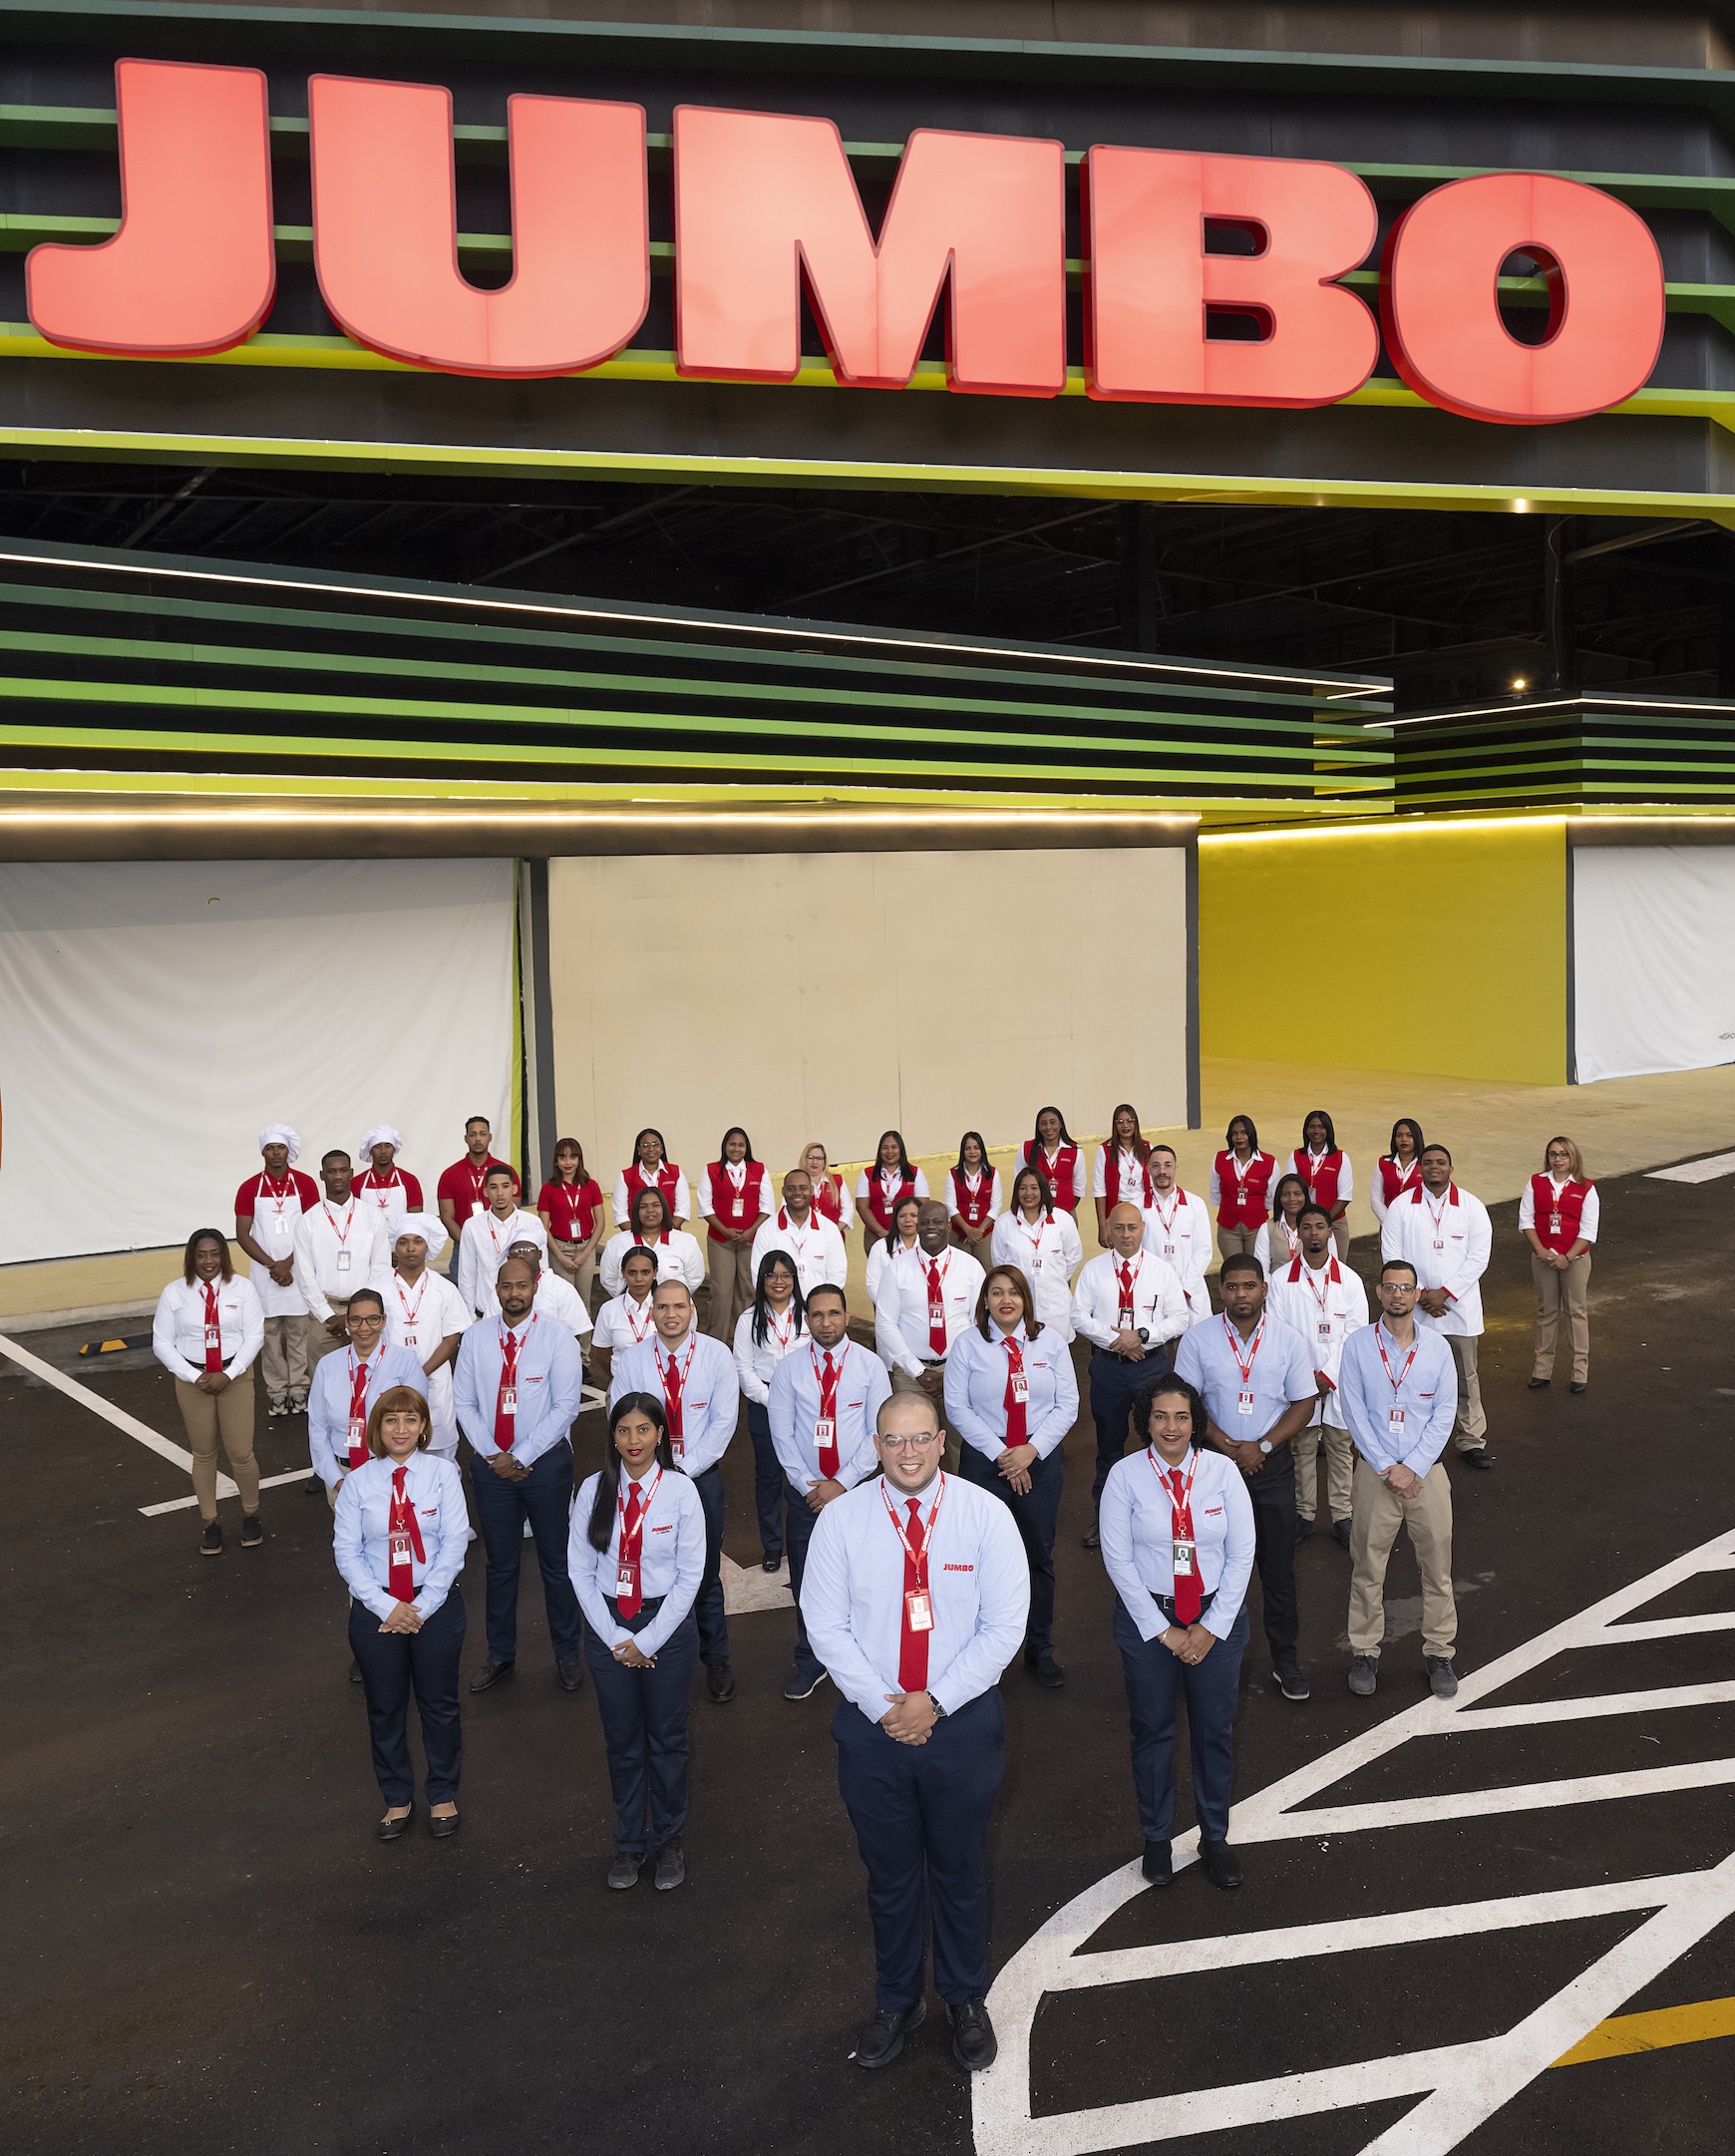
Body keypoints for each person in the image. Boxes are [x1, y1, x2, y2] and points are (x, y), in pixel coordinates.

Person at [801, 1389, 1029, 2073]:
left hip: (961, 1727)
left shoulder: (984, 1515)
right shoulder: (842, 1521)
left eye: (921, 1438)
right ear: (876, 1447)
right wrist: (886, 1708)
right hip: (873, 1733)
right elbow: (825, 1625)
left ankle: (964, 1998)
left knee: (961, 1872)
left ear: (941, 1442)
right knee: (891, 1878)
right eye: (894, 1440)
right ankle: (897, 2002)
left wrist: (935, 1702)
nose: (909, 1452)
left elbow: (1004, 1627)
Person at [1099, 1372, 1256, 1890]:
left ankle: (1215, 1837)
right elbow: (1118, 1560)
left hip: (1216, 1617)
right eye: (1161, 1416)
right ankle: (1156, 1838)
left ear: (1196, 1423)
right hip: (1148, 1619)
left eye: (1182, 1417)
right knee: (1152, 1729)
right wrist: (1163, 1631)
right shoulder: (1125, 1476)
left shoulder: (1222, 1472)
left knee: (1214, 1731)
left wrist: (1211, 1627)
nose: (1172, 1427)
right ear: (1145, 1421)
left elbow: (1242, 1555)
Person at [569, 1392, 706, 1891]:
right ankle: (629, 1842)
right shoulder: (592, 1490)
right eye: (624, 1430)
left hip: (665, 1627)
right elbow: (580, 1570)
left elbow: (691, 1576)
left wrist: (648, 1640)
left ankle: (668, 1841)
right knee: (623, 1743)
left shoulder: (680, 1491)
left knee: (667, 1741)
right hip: (609, 1627)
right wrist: (614, 1638)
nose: (634, 1440)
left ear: (660, 1435)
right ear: (612, 1436)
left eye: (643, 1430)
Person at [1174, 1257, 1317, 1702]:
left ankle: (1285, 1659)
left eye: (1249, 1286)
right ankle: (1201, 1654)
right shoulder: (1198, 1339)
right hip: (1212, 1467)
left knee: (1277, 1570)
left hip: (1270, 1468)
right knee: (1206, 1567)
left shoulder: (1288, 1340)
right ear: (1221, 1291)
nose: (1241, 1295)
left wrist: (1263, 1447)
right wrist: (1228, 1445)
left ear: (1264, 1290)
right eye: (1233, 1287)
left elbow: (1304, 1402)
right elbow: (1185, 1403)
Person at [333, 1385, 469, 1840]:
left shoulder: (443, 1474)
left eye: (411, 1419)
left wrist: (423, 1606)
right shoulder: (358, 1482)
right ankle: (396, 1797)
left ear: (424, 1427)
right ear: (378, 1427)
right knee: (385, 1707)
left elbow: (454, 1542)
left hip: (436, 1606)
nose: (401, 1429)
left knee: (439, 1704)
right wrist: (388, 1607)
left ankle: (443, 1792)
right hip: (378, 1611)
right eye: (391, 1419)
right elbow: (346, 1552)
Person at [453, 1255, 587, 1695]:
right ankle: (500, 1655)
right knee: (500, 1566)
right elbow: (464, 1402)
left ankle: (567, 1653)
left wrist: (522, 1455)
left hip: (546, 1466)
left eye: (522, 1285)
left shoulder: (557, 1336)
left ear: (535, 1287)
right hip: (493, 1469)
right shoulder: (476, 1338)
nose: (514, 1293)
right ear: (496, 1290)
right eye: (506, 1286)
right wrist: (495, 1455)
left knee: (557, 1564)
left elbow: (565, 1407)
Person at [945, 1265, 1079, 1689]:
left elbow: (1068, 1405)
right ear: (984, 1301)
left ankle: (1040, 1649)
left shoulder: (1049, 1342)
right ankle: (981, 1655)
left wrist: (1030, 1452)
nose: (1006, 1300)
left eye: (1014, 1293)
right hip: (987, 1461)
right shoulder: (968, 1345)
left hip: (1039, 1457)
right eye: (997, 1292)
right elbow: (956, 1406)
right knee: (981, 1558)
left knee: (1039, 1556)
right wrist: (1003, 1455)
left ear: (1026, 1299)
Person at [609, 1278, 742, 1703]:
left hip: (699, 1480)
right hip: (645, 1480)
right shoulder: (633, 1360)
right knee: (655, 1568)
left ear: (692, 1310)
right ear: (652, 1312)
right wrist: (657, 1473)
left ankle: (716, 1658)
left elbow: (723, 1423)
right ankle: (661, 1652)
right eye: (663, 1307)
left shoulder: (716, 1356)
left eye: (679, 1306)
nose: (671, 1314)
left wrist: (681, 1471)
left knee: (704, 1574)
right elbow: (620, 1419)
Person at [1337, 1258, 1461, 1699]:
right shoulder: (1357, 1346)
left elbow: (1445, 1413)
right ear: (1379, 1292)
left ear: (1416, 1293)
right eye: (1390, 1287)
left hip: (1427, 1475)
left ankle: (1440, 1651)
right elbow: (1353, 1411)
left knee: (1438, 1570)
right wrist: (1389, 1467)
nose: (1397, 1295)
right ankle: (1365, 1651)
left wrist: (1414, 1467)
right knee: (1367, 1568)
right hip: (1376, 1475)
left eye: (1406, 1288)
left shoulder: (1437, 1349)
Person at [769, 1281, 891, 1702]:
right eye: (817, 1315)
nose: (826, 1322)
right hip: (806, 1497)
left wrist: (841, 1484)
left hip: (858, 1493)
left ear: (846, 1316)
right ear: (807, 1319)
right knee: (807, 1581)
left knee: (865, 1577)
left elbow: (879, 1433)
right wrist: (811, 1486)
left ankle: (867, 1655)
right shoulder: (789, 1369)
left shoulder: (870, 1366)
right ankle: (810, 1660)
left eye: (834, 1313)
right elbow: (782, 1434)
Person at [1071, 1203, 1191, 1547]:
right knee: (1108, 1446)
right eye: (1119, 1228)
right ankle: (1105, 1519)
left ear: (1142, 1230)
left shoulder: (1161, 1271)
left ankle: (1163, 1518)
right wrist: (1119, 1341)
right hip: (1109, 1368)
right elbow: (1078, 1316)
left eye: (1132, 1227)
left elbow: (1179, 1318)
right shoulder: (1093, 1270)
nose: (1126, 1235)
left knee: (1161, 1441)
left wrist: (1142, 1335)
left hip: (1151, 1367)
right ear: (1109, 1230)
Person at [1380, 1144, 1494, 1469]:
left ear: (1450, 1168)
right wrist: (1418, 1294)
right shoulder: (1401, 1207)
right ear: (1420, 1169)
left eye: (1440, 1162)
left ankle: (1471, 1439)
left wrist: (1445, 1293)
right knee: (1413, 1378)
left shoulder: (1471, 1206)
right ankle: (1418, 1441)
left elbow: (1479, 1258)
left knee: (1466, 1378)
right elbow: (1392, 1256)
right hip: (1416, 1309)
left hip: (1458, 1309)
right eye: (1428, 1162)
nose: (1434, 1167)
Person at [153, 1229, 266, 1557]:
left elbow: (254, 1336)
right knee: (203, 1453)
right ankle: (210, 1522)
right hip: (194, 1380)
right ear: (191, 1257)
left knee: (241, 1453)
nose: (208, 1261)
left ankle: (251, 1515)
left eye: (214, 1253)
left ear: (223, 1256)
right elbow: (161, 1342)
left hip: (235, 1377)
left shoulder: (242, 1289)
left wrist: (229, 1373)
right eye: (201, 1254)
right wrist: (194, 1375)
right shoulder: (174, 1293)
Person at [1266, 1205, 1368, 1549]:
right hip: (1300, 1382)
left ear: (1329, 1231)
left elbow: (1355, 1334)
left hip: (1338, 1380)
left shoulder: (1350, 1280)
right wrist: (1307, 1379)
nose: (1313, 1233)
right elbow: (1279, 1334)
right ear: (1298, 1233)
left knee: (1341, 1448)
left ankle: (1342, 1515)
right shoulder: (1281, 1281)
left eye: (1320, 1226)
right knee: (1302, 1448)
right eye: (1306, 1226)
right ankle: (1304, 1514)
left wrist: (1328, 1376)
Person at [873, 1199, 986, 1458]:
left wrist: (955, 1370)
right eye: (924, 1222)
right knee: (912, 1445)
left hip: (959, 1370)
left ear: (948, 1226)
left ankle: (960, 1485)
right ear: (917, 1227)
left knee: (962, 1445)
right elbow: (886, 1323)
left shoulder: (969, 1267)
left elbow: (979, 1322)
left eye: (937, 1222)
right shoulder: (897, 1268)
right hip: (911, 1374)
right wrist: (918, 1371)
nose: (930, 1227)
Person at [307, 1289, 427, 1509]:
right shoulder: (328, 1366)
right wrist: (337, 1481)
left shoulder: (405, 1362)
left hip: (391, 1472)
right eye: (356, 1320)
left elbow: (414, 1425)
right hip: (342, 1474)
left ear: (383, 1321)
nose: (364, 1328)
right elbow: (318, 1428)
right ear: (347, 1323)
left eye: (373, 1319)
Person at [233, 1124, 319, 1419]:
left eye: (280, 1147)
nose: (276, 1153)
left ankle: (299, 1388)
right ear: (262, 1152)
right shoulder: (249, 1188)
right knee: (269, 1336)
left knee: (298, 1334)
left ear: (288, 1150)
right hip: (265, 1274)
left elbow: (313, 1229)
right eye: (270, 1148)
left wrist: (289, 1263)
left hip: (298, 1270)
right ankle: (277, 1392)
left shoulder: (305, 1184)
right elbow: (242, 1234)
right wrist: (273, 1265)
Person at [733, 1252, 808, 1576]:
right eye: (771, 1275)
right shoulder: (749, 1319)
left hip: (806, 1405)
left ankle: (805, 1539)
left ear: (794, 1279)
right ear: (761, 1279)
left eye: (785, 1275)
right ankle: (773, 1544)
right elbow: (743, 1368)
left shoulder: (808, 1314)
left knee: (805, 1473)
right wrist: (772, 1400)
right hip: (764, 1404)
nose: (779, 1282)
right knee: (768, 1476)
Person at [293, 1151, 392, 1370]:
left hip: (366, 1314)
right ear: (322, 1175)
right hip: (324, 1316)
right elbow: (304, 1275)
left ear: (351, 1173)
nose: (338, 1176)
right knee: (324, 1378)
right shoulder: (307, 1221)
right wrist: (329, 1317)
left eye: (343, 1170)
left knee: (370, 1375)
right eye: (331, 1171)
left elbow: (380, 1268)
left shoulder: (372, 1216)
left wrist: (358, 1314)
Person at [383, 1217, 471, 1460]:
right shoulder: (378, 1287)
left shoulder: (444, 1288)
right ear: (394, 1248)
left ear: (427, 1246)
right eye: (403, 1242)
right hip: (390, 1379)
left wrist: (420, 1373)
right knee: (394, 1445)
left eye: (417, 1241)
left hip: (435, 1380)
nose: (411, 1248)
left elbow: (451, 1338)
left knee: (439, 1449)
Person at [1521, 1135, 1599, 1394]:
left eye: (1564, 1154)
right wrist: (1541, 1251)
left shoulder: (1586, 1188)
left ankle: (1579, 1372)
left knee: (1575, 1312)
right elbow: (1526, 1220)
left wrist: (1567, 1257)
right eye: (1553, 1154)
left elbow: (1588, 1230)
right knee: (1547, 1311)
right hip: (1543, 1257)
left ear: (1573, 1157)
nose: (1558, 1159)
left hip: (1575, 1259)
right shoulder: (1536, 1182)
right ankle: (1542, 1370)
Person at [990, 1165, 1084, 1341]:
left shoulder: (1062, 1219)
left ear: (1043, 1190)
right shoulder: (1004, 1223)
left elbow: (1074, 1255)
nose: (1028, 1193)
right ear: (1016, 1192)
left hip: (1055, 1305)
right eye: (1023, 1188)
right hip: (1019, 1304)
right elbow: (999, 1261)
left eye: (1034, 1188)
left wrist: (1054, 1277)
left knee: (1057, 1349)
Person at [697, 1126, 771, 1342]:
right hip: (720, 1241)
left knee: (746, 1291)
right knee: (721, 1292)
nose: (736, 1149)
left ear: (747, 1147)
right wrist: (725, 1231)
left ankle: (742, 1341)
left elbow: (767, 1207)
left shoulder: (759, 1170)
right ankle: (717, 1342)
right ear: (725, 1146)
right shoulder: (711, 1170)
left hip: (750, 1240)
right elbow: (705, 1207)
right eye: (732, 1144)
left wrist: (749, 1232)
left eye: (741, 1145)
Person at [456, 1165, 549, 1316]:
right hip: (485, 1313)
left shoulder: (531, 1222)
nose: (499, 1193)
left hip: (524, 1312)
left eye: (505, 1186)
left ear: (514, 1189)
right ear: (486, 1192)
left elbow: (542, 1270)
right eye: (493, 1187)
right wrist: (470, 1318)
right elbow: (467, 1275)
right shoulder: (473, 1226)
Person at [476, 1239, 594, 1356]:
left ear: (539, 1254)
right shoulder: (501, 1293)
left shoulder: (562, 1288)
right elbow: (490, 1332)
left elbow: (573, 1335)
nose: (521, 1255)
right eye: (515, 1251)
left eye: (527, 1250)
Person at [751, 1168, 849, 1297]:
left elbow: (837, 1275)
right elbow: (758, 1274)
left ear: (811, 1190)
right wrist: (783, 1304)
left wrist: (820, 1303)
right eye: (791, 1189)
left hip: (819, 1306)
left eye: (803, 1188)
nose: (797, 1193)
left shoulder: (829, 1229)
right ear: (783, 1191)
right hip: (780, 1305)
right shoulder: (766, 1230)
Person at [1144, 1144, 1214, 1327]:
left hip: (1191, 1294)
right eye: (1156, 1165)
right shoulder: (1136, 1208)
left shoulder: (1195, 1204)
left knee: (1196, 1341)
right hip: (1153, 1294)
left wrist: (1183, 1290)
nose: (1162, 1171)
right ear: (1148, 1168)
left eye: (1167, 1165)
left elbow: (1203, 1251)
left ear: (1175, 1168)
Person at [536, 1137, 606, 1311]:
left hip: (586, 1248)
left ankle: (585, 1332)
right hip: (560, 1249)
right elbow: (543, 1227)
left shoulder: (591, 1186)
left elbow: (600, 1223)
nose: (568, 1162)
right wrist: (560, 1256)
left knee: (584, 1302)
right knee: (564, 1304)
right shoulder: (548, 1189)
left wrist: (586, 1253)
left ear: (579, 1160)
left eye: (573, 1157)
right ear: (556, 1161)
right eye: (562, 1157)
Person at [597, 1188, 706, 1298]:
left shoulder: (687, 1241)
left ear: (664, 1209)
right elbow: (609, 1279)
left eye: (656, 1205)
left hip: (674, 1306)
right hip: (631, 1307)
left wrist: (672, 1300)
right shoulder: (616, 1243)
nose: (650, 1210)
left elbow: (694, 1279)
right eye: (643, 1206)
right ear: (636, 1211)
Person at [436, 1116, 519, 1250]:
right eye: (473, 1134)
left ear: (490, 1137)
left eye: (483, 1134)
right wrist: (467, 1243)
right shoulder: (449, 1175)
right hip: (463, 1246)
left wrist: (499, 1241)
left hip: (502, 1245)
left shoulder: (506, 1172)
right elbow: (447, 1217)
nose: (478, 1139)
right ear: (466, 1138)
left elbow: (514, 1211)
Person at [590, 1244, 660, 1390]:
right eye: (632, 1273)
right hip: (623, 1387)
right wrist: (619, 1378)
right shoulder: (609, 1309)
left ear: (655, 1272)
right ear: (623, 1273)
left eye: (645, 1272)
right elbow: (602, 1354)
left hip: (662, 1386)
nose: (639, 1279)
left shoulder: (669, 1307)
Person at [1210, 1115, 1275, 1263]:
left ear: (1251, 1134)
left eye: (1243, 1133)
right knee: (1234, 1268)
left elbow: (1271, 1198)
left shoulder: (1269, 1162)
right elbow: (1215, 1192)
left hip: (1256, 1228)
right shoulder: (1219, 1159)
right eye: (1234, 1133)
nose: (1239, 1137)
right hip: (1228, 1228)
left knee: (1254, 1268)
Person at [1290, 1109, 1353, 1260]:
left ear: (1328, 1130)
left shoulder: (1341, 1158)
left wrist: (1324, 1221)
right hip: (1304, 1224)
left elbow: (1344, 1196)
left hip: (1335, 1223)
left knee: (1337, 1268)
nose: (1316, 1131)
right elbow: (1291, 1189)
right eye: (1312, 1127)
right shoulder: (1296, 1156)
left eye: (1321, 1127)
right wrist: (1307, 1222)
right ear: (1306, 1130)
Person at [856, 1129, 929, 1258]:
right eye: (885, 1148)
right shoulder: (867, 1174)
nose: (889, 1151)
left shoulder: (915, 1173)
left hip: (909, 1236)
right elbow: (862, 1207)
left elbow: (923, 1205)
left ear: (901, 1149)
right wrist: (881, 1232)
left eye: (894, 1147)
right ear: (879, 1151)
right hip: (875, 1236)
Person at [1092, 1102, 1155, 1247]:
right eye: (1120, 1122)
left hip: (1143, 1210)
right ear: (1114, 1125)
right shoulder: (1104, 1150)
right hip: (1118, 1209)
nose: (1125, 1126)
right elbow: (1099, 1190)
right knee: (1122, 1251)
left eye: (1129, 1121)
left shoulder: (1147, 1148)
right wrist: (1103, 1225)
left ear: (1136, 1123)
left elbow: (1153, 1184)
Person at [353, 1126, 425, 1241]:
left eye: (388, 1146)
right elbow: (354, 1219)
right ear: (370, 1151)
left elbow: (415, 1219)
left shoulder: (409, 1180)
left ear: (394, 1149)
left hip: (401, 1243)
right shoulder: (356, 1182)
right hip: (367, 1243)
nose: (383, 1151)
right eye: (377, 1146)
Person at [613, 1127, 690, 1230]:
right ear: (638, 1150)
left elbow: (682, 1211)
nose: (651, 1149)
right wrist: (639, 1236)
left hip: (671, 1233)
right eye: (645, 1145)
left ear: (662, 1148)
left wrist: (666, 1233)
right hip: (636, 1236)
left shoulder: (676, 1173)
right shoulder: (626, 1176)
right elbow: (621, 1216)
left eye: (655, 1144)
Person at [1018, 1106, 1086, 1216]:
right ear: (1038, 1127)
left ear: (1061, 1124)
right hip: (1035, 1213)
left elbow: (1079, 1187)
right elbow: (1019, 1182)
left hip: (1065, 1212)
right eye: (1043, 1123)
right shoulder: (1026, 1148)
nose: (1048, 1127)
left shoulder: (1075, 1150)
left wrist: (1065, 1210)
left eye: (1053, 1122)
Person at [945, 1132, 1001, 1267]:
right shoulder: (953, 1174)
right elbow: (950, 1205)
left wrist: (979, 1231)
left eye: (976, 1148)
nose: (972, 1152)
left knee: (986, 1268)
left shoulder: (992, 1173)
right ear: (962, 1151)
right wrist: (967, 1229)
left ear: (982, 1150)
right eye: (968, 1148)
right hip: (959, 1233)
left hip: (984, 1233)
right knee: (959, 1268)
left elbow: (996, 1206)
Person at [865, 1194, 923, 1308]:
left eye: (913, 1215)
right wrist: (889, 1307)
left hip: (920, 1311)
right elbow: (873, 1284)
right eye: (902, 1216)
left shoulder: (928, 1246)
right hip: (888, 1308)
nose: (908, 1220)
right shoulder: (880, 1247)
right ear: (895, 1219)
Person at [1371, 1118, 1426, 1228]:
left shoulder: (1426, 1165)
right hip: (1388, 1225)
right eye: (1399, 1135)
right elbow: (1376, 1200)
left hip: (1418, 1225)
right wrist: (1390, 1223)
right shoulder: (1383, 1163)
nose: (1404, 1139)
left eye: (1409, 1135)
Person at [1254, 1172, 1310, 1278]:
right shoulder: (1267, 1228)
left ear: (1305, 1196)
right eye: (1286, 1194)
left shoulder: (1319, 1228)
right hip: (1276, 1287)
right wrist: (1275, 1287)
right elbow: (1262, 1271)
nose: (1292, 1199)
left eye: (1297, 1194)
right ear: (1279, 1198)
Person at [801, 1140, 856, 1235]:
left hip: (834, 1236)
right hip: (805, 1238)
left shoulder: (837, 1181)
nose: (814, 1162)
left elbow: (848, 1211)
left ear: (825, 1161)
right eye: (810, 1157)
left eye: (819, 1158)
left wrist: (834, 1232)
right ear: (804, 1159)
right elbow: (786, 1210)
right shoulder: (796, 1182)